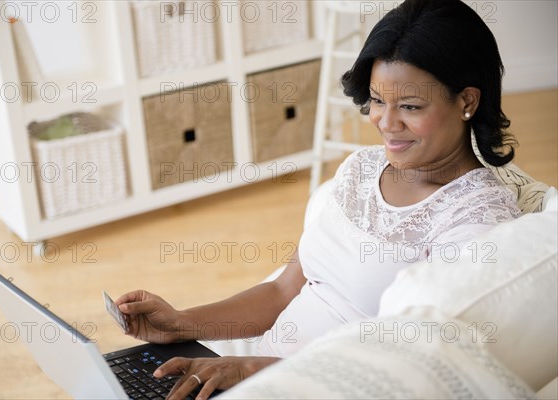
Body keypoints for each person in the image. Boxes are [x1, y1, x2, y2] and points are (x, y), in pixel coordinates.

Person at [115, 0, 522, 398]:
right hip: (257, 372)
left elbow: (405, 366)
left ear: (467, 101)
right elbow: (282, 291)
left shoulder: (479, 223)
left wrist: (253, 372)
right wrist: (181, 325)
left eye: (410, 107)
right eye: (378, 100)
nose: (387, 123)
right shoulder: (361, 168)